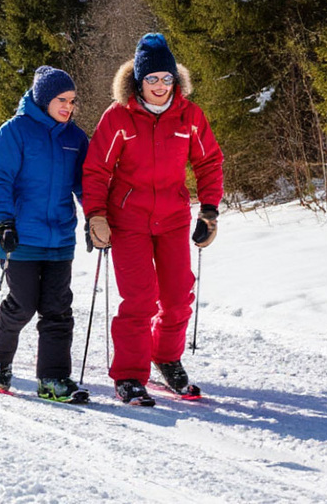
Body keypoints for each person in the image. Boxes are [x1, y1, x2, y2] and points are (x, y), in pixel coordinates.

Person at [83, 33, 224, 406]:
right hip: (128, 221)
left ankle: (166, 357)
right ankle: (129, 374)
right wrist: (96, 215)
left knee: (178, 295)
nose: (160, 86)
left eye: (166, 78)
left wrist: (209, 210)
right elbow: (97, 169)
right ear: (138, 81)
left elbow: (209, 162)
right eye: (152, 79)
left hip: (173, 218)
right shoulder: (119, 117)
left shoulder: (190, 116)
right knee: (140, 299)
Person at [0, 66, 90, 402]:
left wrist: (95, 217)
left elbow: (86, 184)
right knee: (23, 304)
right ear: (44, 100)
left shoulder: (75, 138)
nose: (68, 107)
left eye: (72, 101)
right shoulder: (15, 131)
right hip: (21, 237)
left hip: (60, 238)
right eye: (62, 100)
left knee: (58, 309)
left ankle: (53, 379)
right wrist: (4, 221)